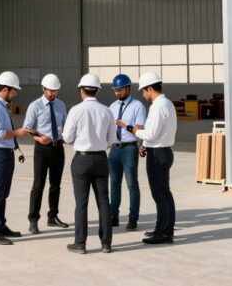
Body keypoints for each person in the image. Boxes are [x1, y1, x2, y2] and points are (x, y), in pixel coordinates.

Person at [61, 73, 115, 254]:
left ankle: (80, 243)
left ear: (81, 90)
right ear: (97, 90)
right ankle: (106, 243)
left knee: (81, 203)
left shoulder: (76, 110)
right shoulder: (107, 111)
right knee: (104, 201)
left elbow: (67, 137)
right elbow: (112, 139)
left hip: (82, 160)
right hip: (101, 159)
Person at [127, 71, 177, 244]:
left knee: (161, 194)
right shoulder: (166, 103)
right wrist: (145, 146)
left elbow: (151, 133)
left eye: (143, 90)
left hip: (158, 155)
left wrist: (134, 130)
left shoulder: (158, 106)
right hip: (161, 151)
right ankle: (162, 228)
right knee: (162, 193)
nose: (143, 94)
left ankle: (164, 233)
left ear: (149, 89)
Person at [0, 71, 30, 245]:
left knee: (3, 193)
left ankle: (0, 226)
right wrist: (17, 133)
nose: (15, 94)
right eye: (14, 91)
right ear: (5, 89)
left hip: (5, 154)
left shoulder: (0, 106)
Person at [22, 73, 70, 234]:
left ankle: (52, 217)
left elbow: (65, 125)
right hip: (42, 149)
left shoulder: (61, 105)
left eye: (55, 91)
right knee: (38, 185)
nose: (52, 94)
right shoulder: (34, 106)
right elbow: (28, 127)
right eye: (50, 90)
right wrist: (38, 138)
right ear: (43, 89)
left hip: (58, 148)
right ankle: (33, 220)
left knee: (55, 185)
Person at [108, 73, 147, 231]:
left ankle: (133, 218)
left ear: (128, 88)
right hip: (114, 149)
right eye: (115, 90)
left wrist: (125, 126)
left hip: (129, 148)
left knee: (132, 185)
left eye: (120, 89)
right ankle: (113, 216)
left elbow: (140, 128)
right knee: (114, 184)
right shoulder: (112, 107)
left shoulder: (137, 106)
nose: (117, 92)